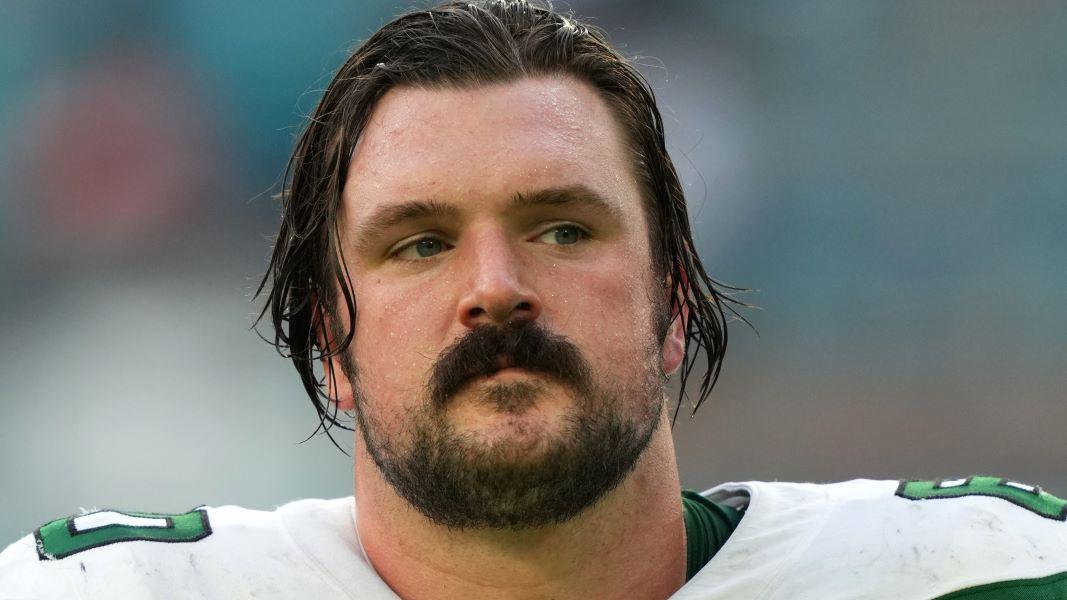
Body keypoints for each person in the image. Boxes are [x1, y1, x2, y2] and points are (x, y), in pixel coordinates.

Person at [2, 1, 1065, 598]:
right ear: (328, 341)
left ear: (674, 302)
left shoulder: (982, 578)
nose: (495, 290)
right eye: (418, 244)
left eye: (562, 228)